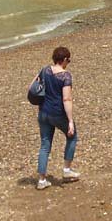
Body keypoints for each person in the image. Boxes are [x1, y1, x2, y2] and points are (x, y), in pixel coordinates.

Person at [35, 46, 79, 190]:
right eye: (69, 60)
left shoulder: (45, 70)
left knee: (45, 145)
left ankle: (41, 180)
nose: (68, 63)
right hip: (57, 114)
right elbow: (66, 99)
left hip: (43, 113)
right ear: (65, 59)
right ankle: (66, 170)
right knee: (72, 136)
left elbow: (32, 86)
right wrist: (70, 121)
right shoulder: (65, 76)